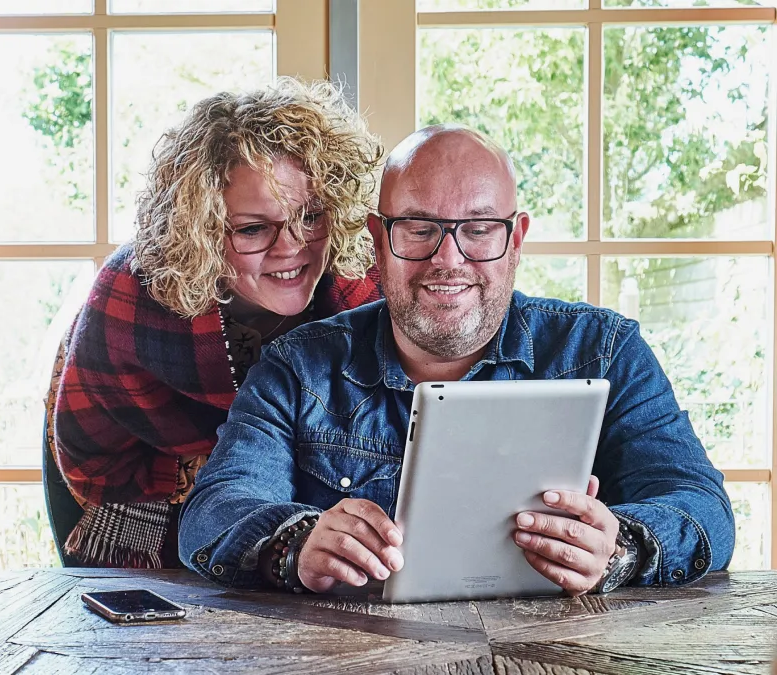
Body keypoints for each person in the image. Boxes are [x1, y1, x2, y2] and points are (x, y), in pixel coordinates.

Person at [178, 124, 735, 596]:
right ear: (378, 239)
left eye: (479, 228)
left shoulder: (604, 351)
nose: (449, 259)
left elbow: (702, 506)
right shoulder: (297, 367)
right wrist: (295, 543)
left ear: (516, 238)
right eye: (419, 228)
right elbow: (213, 510)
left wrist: (621, 548)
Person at [51, 78, 386, 568]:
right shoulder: (129, 295)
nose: (291, 247)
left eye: (311, 217)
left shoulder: (366, 283)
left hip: (326, 499)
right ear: (201, 232)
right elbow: (91, 447)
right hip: (146, 492)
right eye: (253, 229)